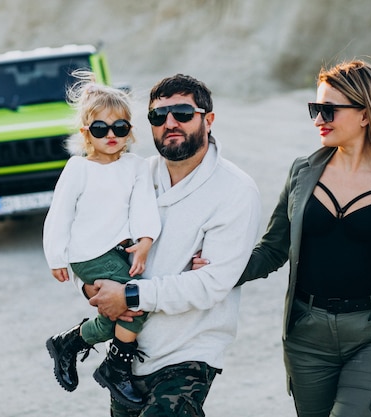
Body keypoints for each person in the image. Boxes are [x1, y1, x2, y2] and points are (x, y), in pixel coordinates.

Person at [195, 60, 371, 417]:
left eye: (328, 110)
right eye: (315, 109)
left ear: (365, 114)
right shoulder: (302, 172)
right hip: (307, 338)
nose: (318, 120)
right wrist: (221, 268)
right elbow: (272, 249)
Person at [85, 74, 262, 416]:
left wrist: (129, 295)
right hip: (128, 354)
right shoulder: (132, 177)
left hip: (189, 354)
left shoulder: (235, 190)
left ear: (208, 120)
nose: (170, 123)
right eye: (158, 116)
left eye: (182, 113)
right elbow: (90, 242)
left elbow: (210, 285)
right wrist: (92, 287)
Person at [43, 72, 161, 409]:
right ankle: (116, 367)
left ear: (129, 131)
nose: (111, 135)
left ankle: (70, 342)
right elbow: (60, 215)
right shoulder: (78, 169)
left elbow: (143, 206)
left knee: (124, 309)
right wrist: (56, 257)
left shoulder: (135, 166)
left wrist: (146, 241)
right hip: (89, 253)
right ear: (86, 133)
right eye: (100, 129)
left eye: (120, 128)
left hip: (120, 250)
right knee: (134, 303)